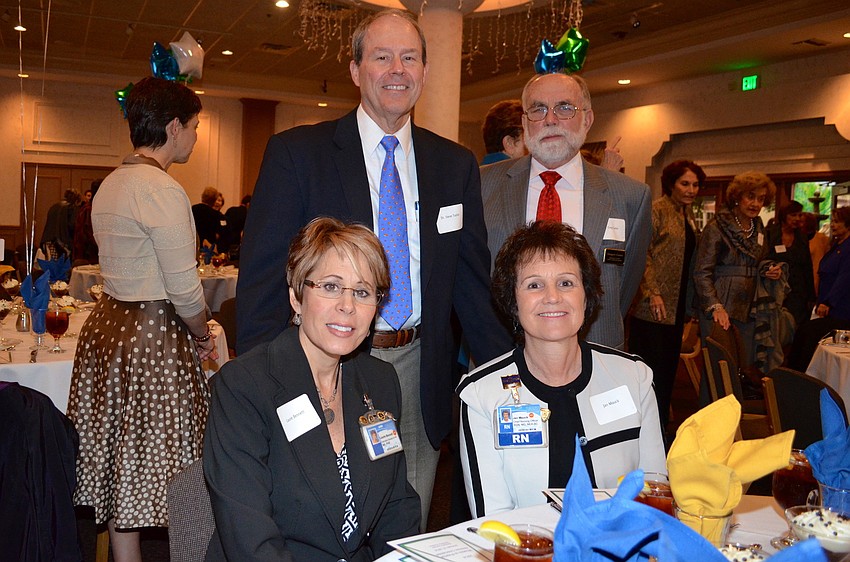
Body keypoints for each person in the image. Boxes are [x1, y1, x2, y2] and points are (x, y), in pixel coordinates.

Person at [236, 9, 512, 527]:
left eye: (409, 58)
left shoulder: (453, 165)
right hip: (326, 364)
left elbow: (472, 285)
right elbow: (262, 283)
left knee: (405, 525)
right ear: (356, 69)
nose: (396, 70)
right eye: (381, 57)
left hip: (420, 367)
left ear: (425, 73)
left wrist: (508, 376)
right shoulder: (298, 154)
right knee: (325, 520)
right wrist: (262, 387)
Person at [204, 218, 420, 560]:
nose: (347, 306)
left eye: (362, 292)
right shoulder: (244, 386)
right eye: (331, 287)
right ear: (296, 297)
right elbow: (250, 540)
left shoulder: (379, 381)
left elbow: (396, 506)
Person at [66, 76, 216, 562]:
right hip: (152, 338)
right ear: (173, 127)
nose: (194, 136)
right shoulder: (162, 190)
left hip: (107, 330)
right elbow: (184, 289)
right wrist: (202, 331)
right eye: (193, 126)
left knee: (118, 464)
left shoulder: (110, 184)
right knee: (176, 470)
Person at [458, 221, 666, 516]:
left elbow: (655, 492)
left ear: (587, 294)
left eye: (566, 283)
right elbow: (494, 522)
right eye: (534, 285)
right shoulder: (481, 395)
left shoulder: (634, 377)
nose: (552, 296)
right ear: (513, 302)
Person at [480, 72, 651, 349]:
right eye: (538, 109)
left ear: (587, 119)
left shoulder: (631, 197)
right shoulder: (481, 185)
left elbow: (625, 285)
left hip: (595, 355)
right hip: (502, 357)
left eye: (564, 107)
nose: (550, 119)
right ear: (525, 123)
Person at [629, 160, 704, 430]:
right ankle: (644, 432)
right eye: (685, 183)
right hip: (653, 308)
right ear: (671, 184)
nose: (691, 189)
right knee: (650, 375)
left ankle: (659, 432)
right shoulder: (657, 210)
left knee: (666, 375)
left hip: (676, 308)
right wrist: (653, 292)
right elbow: (642, 252)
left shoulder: (687, 215)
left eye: (695, 184)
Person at [693, 171, 779, 376]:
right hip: (719, 307)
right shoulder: (716, 227)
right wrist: (715, 306)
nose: (755, 203)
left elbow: (759, 260)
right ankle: (713, 408)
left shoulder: (758, 228)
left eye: (761, 199)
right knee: (717, 370)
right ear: (737, 197)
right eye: (751, 197)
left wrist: (768, 269)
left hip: (748, 308)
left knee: (739, 368)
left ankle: (734, 408)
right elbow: (701, 272)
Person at [786, 206, 850, 370]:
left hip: (840, 309)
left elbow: (844, 278)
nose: (833, 225)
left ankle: (799, 378)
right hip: (826, 305)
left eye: (837, 222)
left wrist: (828, 302)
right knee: (804, 334)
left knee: (808, 336)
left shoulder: (848, 248)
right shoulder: (837, 245)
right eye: (833, 221)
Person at [765, 200, 815, 329]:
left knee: (796, 328)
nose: (797, 219)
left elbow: (807, 268)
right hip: (774, 290)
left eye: (799, 215)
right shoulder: (770, 234)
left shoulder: (802, 238)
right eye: (793, 215)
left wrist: (811, 296)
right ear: (784, 216)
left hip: (797, 293)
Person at [480, 99, 526, 165]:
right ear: (509, 143)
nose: (532, 147)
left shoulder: (475, 172)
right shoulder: (517, 173)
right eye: (527, 138)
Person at [40, 188, 81, 259]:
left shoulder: (53, 207)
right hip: (63, 243)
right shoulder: (72, 208)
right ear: (76, 199)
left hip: (48, 240)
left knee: (52, 266)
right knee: (63, 267)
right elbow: (72, 225)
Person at [73, 178, 102, 265]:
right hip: (89, 256)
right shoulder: (89, 209)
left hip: (85, 254)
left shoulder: (86, 208)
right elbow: (90, 234)